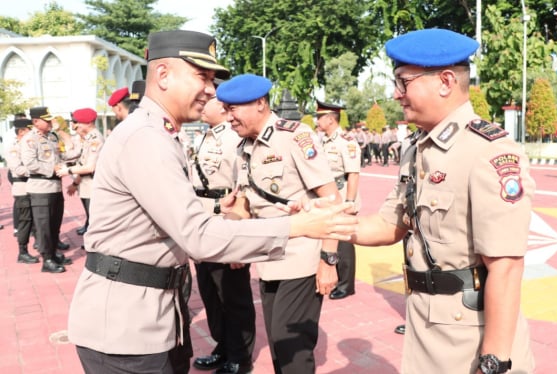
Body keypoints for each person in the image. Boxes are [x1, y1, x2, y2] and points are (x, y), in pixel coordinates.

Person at [66, 30, 355, 374]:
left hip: (150, 315)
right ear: (162, 75)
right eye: (201, 76)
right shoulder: (147, 137)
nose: (211, 89)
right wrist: (298, 225)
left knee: (286, 343)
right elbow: (197, 236)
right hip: (126, 326)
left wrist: (325, 252)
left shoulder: (160, 133)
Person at [347, 29, 535, 373]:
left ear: (446, 81)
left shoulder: (488, 151)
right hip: (426, 323)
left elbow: (505, 268)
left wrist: (493, 362)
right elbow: (391, 223)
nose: (395, 93)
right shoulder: (417, 148)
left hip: (469, 338)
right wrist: (325, 223)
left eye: (404, 82)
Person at [217, 74, 342, 374]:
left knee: (292, 350)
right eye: (226, 109)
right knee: (277, 345)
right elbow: (246, 203)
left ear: (260, 103)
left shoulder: (295, 136)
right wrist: (234, 239)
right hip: (268, 259)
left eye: (234, 108)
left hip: (301, 258)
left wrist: (329, 259)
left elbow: (332, 200)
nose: (229, 117)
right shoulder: (243, 148)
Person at [190, 95, 256, 374]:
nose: (201, 106)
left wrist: (240, 242)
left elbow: (244, 191)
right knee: (210, 291)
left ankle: (240, 356)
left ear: (222, 106)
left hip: (226, 220)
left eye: (208, 101)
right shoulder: (204, 136)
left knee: (232, 294)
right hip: (202, 220)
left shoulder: (234, 138)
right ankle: (224, 346)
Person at [20, 106, 76, 273]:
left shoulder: (52, 136)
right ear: (36, 122)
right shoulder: (30, 139)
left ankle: (53, 253)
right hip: (41, 188)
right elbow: (30, 164)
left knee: (54, 224)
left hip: (55, 187)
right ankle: (47, 260)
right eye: (47, 120)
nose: (51, 122)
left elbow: (61, 155)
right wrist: (52, 169)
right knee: (43, 226)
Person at [316, 100, 361, 300]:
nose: (317, 120)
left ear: (330, 119)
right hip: (329, 195)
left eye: (319, 117)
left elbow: (353, 174)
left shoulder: (346, 141)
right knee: (331, 237)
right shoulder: (323, 141)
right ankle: (336, 278)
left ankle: (346, 285)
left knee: (344, 242)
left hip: (342, 194)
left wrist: (349, 203)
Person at [56, 108, 104, 236]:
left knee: (95, 221)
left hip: (92, 184)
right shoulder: (87, 139)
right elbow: (78, 155)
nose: (76, 126)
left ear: (88, 123)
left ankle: (96, 250)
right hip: (86, 185)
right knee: (91, 217)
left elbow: (90, 167)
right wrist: (59, 154)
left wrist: (68, 170)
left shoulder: (95, 139)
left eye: (78, 123)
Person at [7, 118, 40, 264]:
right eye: (29, 129)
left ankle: (40, 243)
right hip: (23, 188)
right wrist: (38, 171)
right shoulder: (14, 147)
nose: (32, 132)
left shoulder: (31, 143)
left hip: (35, 185)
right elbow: (18, 169)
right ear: (21, 132)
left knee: (39, 218)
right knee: (25, 220)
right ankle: (23, 252)